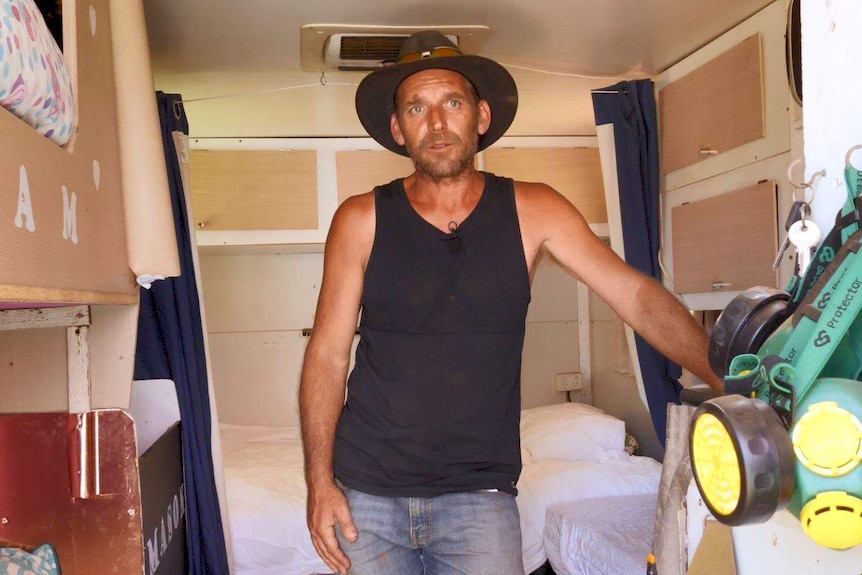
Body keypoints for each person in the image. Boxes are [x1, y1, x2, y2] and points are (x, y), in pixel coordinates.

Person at [299, 30, 723, 575]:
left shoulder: (535, 208)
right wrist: (319, 483)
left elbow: (636, 296)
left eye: (451, 103)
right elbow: (328, 357)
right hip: (368, 494)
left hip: (480, 497)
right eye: (416, 107)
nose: (436, 123)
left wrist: (723, 374)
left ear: (479, 117)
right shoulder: (360, 219)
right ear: (397, 129)